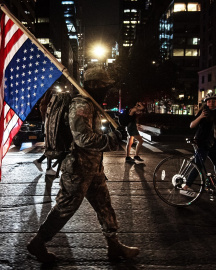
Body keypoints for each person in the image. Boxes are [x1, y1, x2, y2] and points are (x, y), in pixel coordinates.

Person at [27, 68, 139, 263]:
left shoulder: (91, 102)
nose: (107, 89)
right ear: (94, 85)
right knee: (65, 208)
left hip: (93, 168)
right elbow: (83, 139)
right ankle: (38, 242)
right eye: (104, 85)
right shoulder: (81, 103)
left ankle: (114, 245)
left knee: (104, 205)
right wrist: (112, 139)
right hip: (77, 168)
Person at [181, 92, 216, 197]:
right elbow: (192, 125)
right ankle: (186, 187)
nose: (211, 103)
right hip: (202, 142)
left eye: (213, 101)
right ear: (206, 103)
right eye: (209, 101)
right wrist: (200, 117)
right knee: (199, 165)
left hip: (213, 143)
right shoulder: (204, 112)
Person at [33, 88, 57, 176]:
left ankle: (43, 163)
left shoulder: (43, 103)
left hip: (47, 127)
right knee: (50, 148)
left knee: (50, 148)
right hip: (49, 127)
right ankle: (46, 167)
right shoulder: (48, 105)